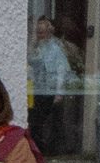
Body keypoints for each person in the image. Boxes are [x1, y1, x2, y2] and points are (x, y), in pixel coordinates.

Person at [28, 17, 73, 154]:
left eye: (41, 32)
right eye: (37, 32)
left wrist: (59, 92)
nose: (39, 35)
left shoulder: (55, 49)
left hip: (50, 91)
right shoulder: (37, 47)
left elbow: (61, 71)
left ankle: (50, 150)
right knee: (36, 122)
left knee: (49, 122)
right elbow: (31, 63)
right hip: (37, 90)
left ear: (49, 33)